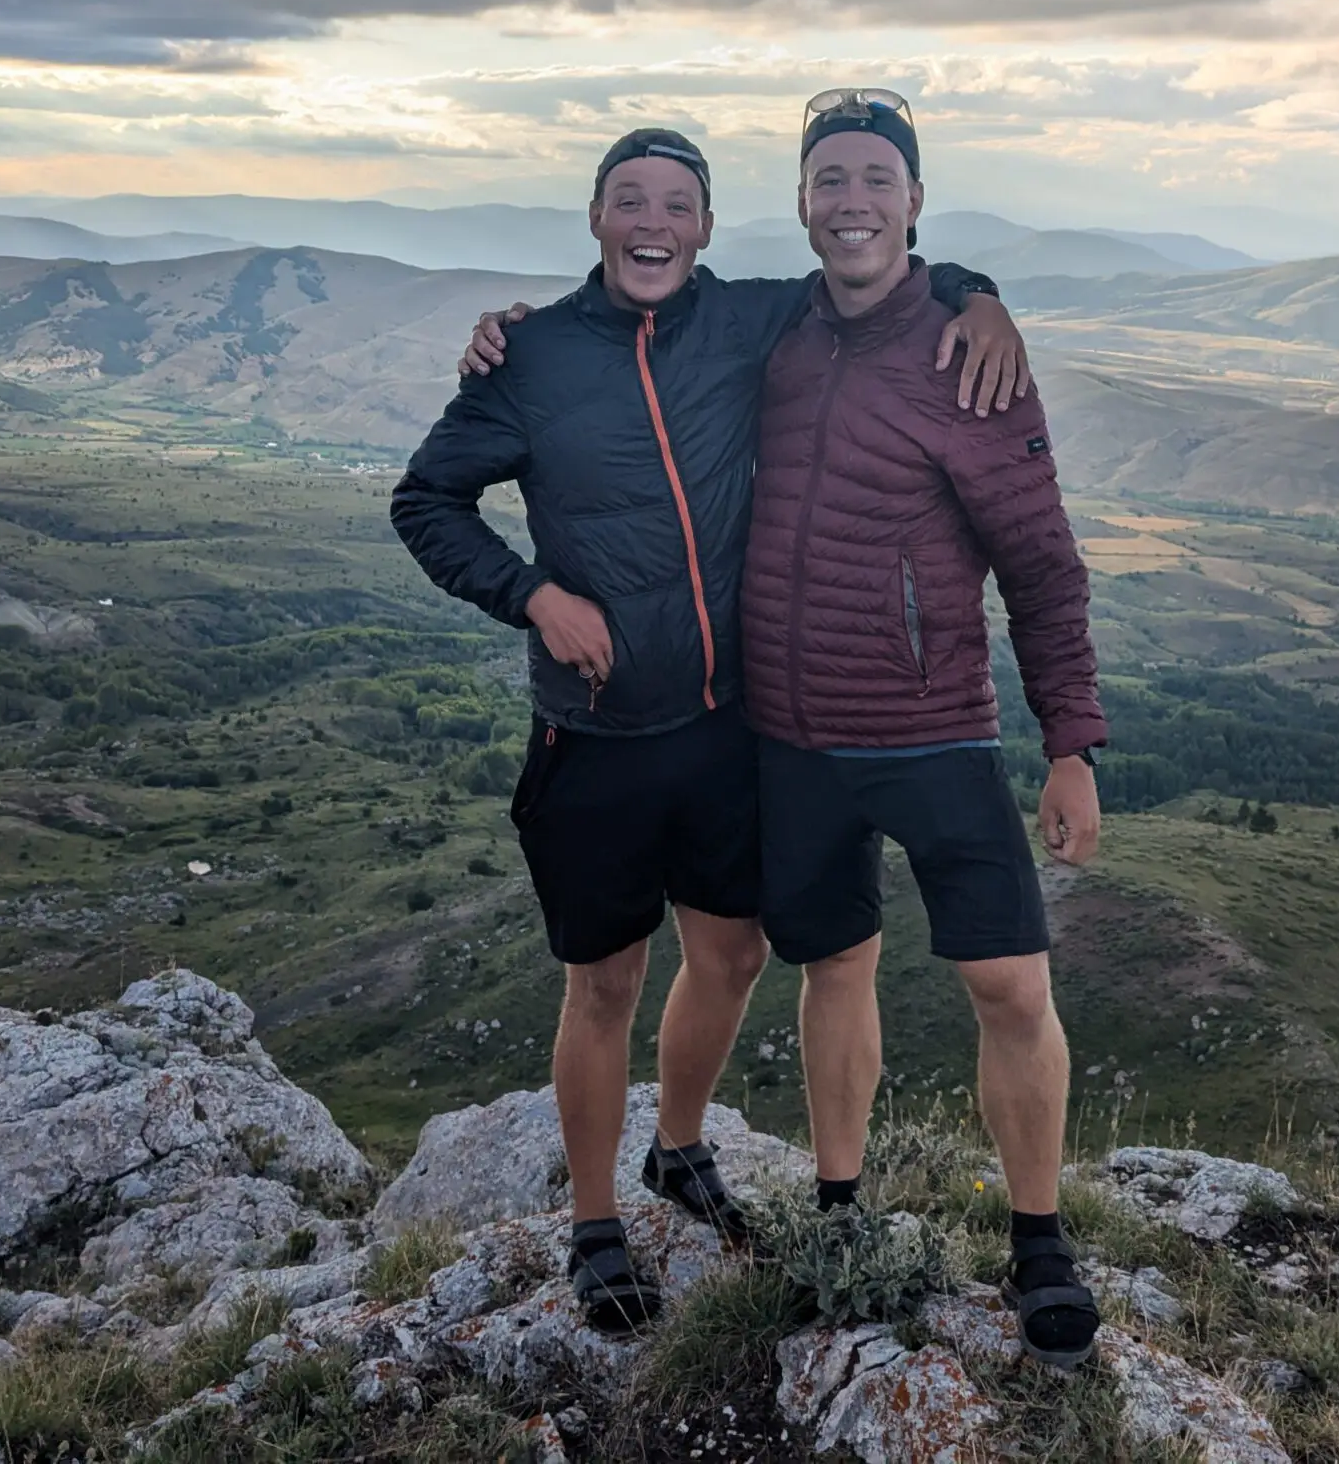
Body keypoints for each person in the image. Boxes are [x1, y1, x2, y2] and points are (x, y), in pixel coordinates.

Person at [389, 126, 1026, 1332]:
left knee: (731, 958)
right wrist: (532, 593)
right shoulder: (531, 358)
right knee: (604, 984)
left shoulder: (746, 322)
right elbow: (426, 499)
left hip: (728, 727)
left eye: (675, 204)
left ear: (704, 228)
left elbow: (872, 270)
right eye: (628, 200)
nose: (652, 222)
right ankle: (594, 1223)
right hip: (594, 733)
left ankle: (677, 1152)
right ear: (594, 221)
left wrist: (982, 296)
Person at [741, 87, 1109, 1370]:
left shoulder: (969, 355)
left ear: (910, 202)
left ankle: (1039, 1240)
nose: (850, 201)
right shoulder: (773, 332)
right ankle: (840, 1211)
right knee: (830, 965)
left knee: (1009, 982)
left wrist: (1068, 745)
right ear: (800, 199)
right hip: (790, 735)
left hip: (933, 727)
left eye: (874, 180)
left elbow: (1043, 568)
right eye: (827, 179)